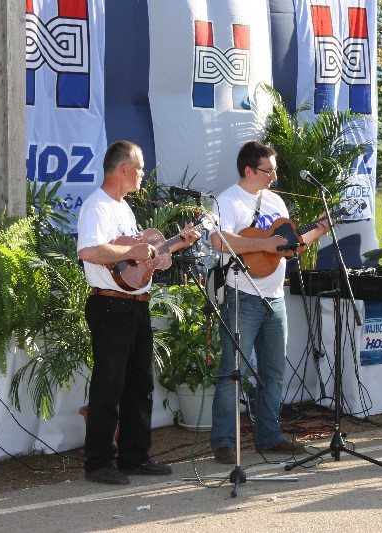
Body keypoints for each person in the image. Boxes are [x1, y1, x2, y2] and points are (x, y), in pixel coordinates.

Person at [77, 140, 201, 485]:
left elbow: (136, 261)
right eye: (140, 168)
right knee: (109, 384)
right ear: (123, 169)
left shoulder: (124, 209)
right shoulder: (98, 206)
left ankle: (134, 457)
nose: (144, 174)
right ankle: (99, 463)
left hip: (135, 305)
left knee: (140, 384)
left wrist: (176, 244)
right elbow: (89, 251)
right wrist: (133, 249)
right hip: (110, 305)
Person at [209, 140, 330, 464]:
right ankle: (223, 440)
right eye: (269, 171)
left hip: (275, 298)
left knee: (273, 372)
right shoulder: (228, 200)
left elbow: (288, 246)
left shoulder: (276, 201)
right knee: (232, 371)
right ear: (249, 170)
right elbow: (219, 239)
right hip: (241, 295)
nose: (274, 177)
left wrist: (318, 231)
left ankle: (269, 435)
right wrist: (262, 242)